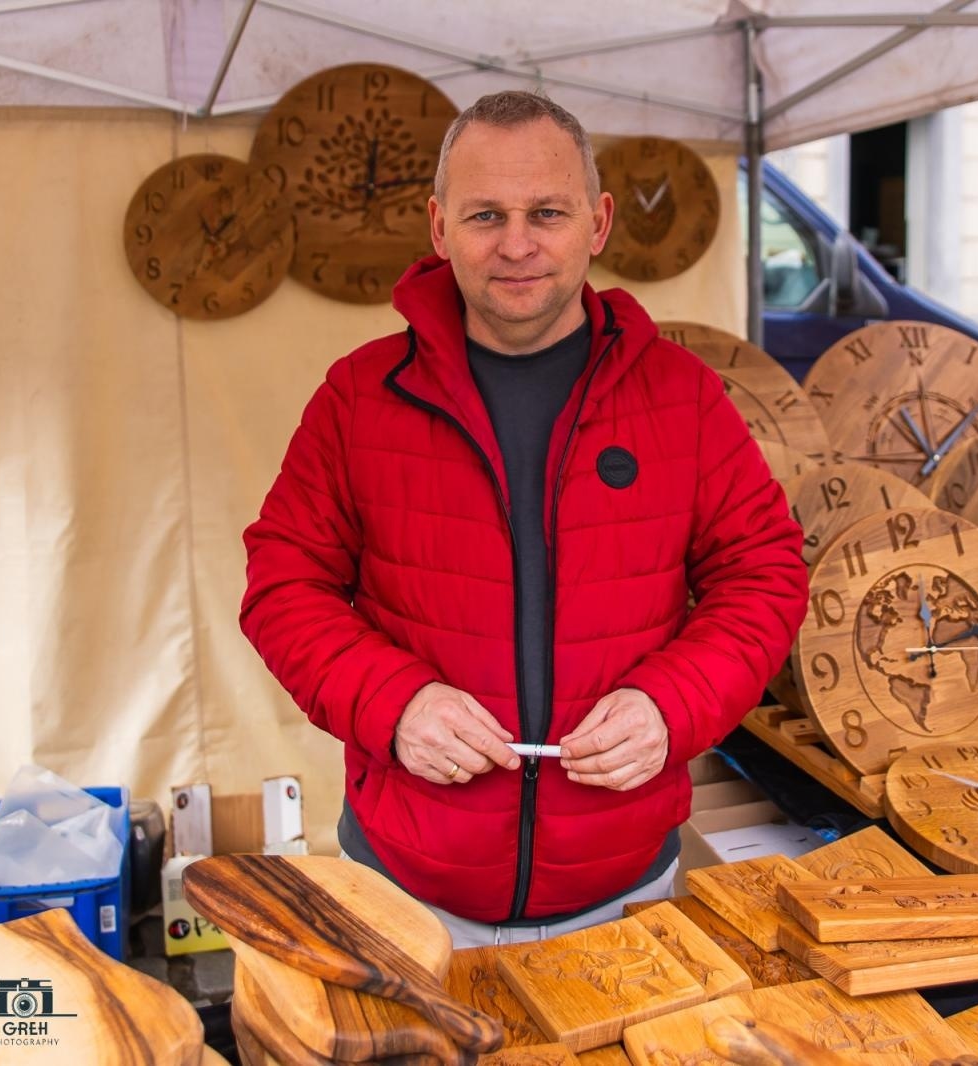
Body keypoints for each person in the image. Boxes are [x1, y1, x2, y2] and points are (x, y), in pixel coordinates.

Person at [239, 91, 808, 946]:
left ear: (599, 220)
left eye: (547, 211)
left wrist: (670, 704)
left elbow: (763, 575)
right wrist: (395, 703)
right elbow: (283, 586)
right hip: (408, 887)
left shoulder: (681, 398)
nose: (517, 244)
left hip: (626, 892)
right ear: (438, 228)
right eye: (485, 215)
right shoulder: (360, 398)